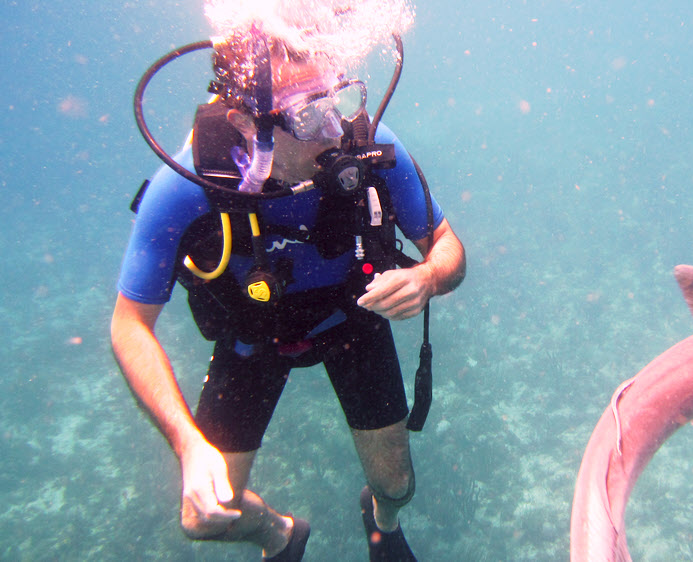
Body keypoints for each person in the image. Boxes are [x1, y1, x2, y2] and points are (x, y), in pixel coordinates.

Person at [110, 20, 465, 562]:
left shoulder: (372, 149)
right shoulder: (185, 189)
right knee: (204, 516)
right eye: (305, 114)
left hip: (353, 318)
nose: (332, 129)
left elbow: (446, 246)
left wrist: (428, 277)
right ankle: (279, 534)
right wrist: (187, 443)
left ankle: (383, 521)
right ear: (245, 122)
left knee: (397, 485)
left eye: (337, 100)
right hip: (252, 339)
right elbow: (129, 326)